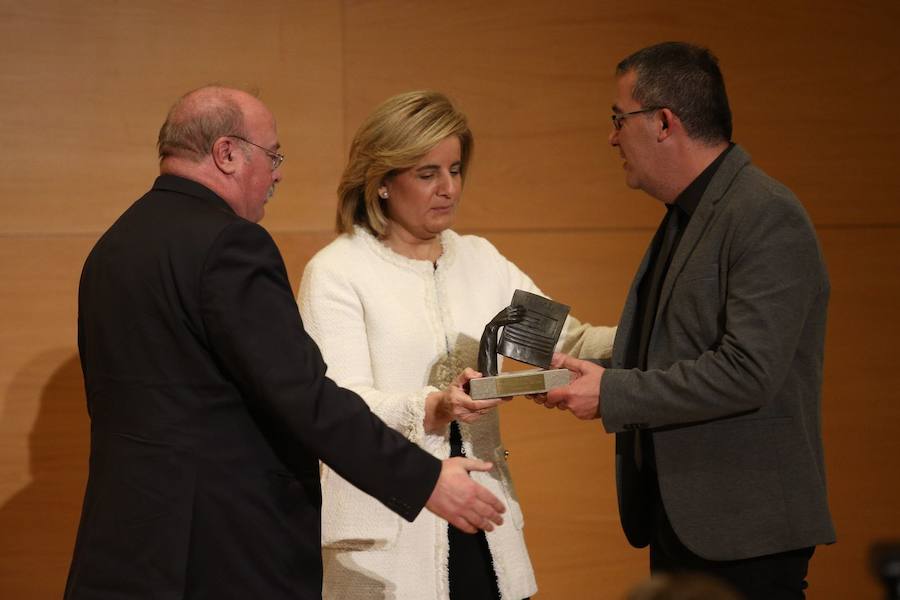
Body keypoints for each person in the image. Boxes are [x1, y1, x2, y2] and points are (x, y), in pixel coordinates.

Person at [64, 86, 507, 600]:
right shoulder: (229, 244)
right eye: (272, 156)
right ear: (227, 154)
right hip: (222, 555)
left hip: (124, 548)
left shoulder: (112, 247)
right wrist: (424, 479)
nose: (277, 174)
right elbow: (302, 396)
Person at [536, 42, 836, 599]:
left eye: (618, 119)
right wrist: (570, 368)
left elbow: (748, 371)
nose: (612, 137)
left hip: (746, 532)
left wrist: (612, 392)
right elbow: (672, 345)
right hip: (686, 521)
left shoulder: (765, 213)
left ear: (663, 122)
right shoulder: (691, 211)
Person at [297, 90, 616, 600]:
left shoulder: (480, 260)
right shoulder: (337, 272)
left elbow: (570, 342)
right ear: (381, 182)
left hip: (482, 522)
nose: (448, 188)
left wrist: (656, 337)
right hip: (386, 539)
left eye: (455, 169)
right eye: (427, 174)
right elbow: (337, 408)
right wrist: (435, 405)